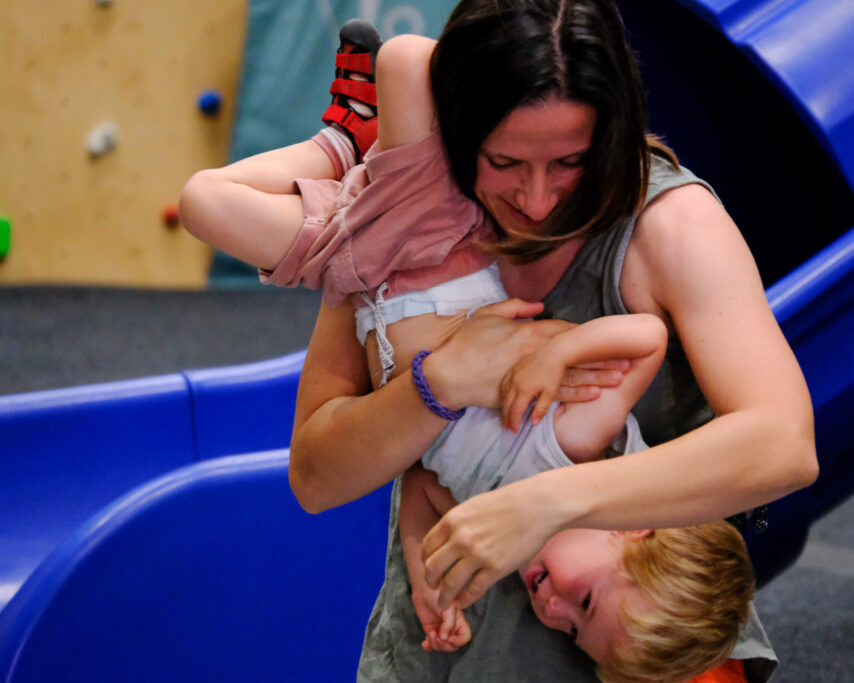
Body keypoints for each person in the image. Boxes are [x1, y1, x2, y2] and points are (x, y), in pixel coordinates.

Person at [183, 0, 818, 679]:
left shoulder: (671, 226)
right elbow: (315, 476)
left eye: (571, 160)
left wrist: (545, 502)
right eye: (504, 160)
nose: (539, 198)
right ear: (458, 130)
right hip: (447, 648)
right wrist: (438, 385)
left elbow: (783, 443)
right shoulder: (409, 219)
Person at [398, 313, 756, 683]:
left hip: (398, 356)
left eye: (572, 631)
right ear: (633, 529)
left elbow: (420, 485)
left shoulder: (493, 540)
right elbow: (648, 338)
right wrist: (556, 355)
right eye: (585, 602)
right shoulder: (578, 442)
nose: (552, 609)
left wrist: (429, 585)